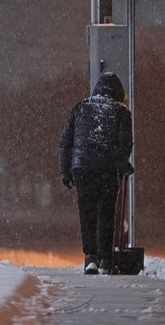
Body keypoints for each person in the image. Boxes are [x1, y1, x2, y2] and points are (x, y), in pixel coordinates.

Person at [59, 72, 134, 275]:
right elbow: (125, 144)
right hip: (107, 169)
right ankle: (105, 259)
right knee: (107, 214)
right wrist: (121, 165)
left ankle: (90, 257)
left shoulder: (80, 107)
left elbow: (66, 142)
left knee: (87, 213)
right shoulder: (121, 112)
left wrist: (65, 171)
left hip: (82, 169)